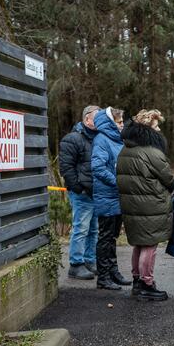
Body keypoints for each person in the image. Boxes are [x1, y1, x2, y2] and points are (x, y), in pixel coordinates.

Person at [117, 109, 174, 301]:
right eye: (156, 126)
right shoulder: (152, 152)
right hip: (151, 206)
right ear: (148, 129)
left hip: (132, 205)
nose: (159, 130)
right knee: (149, 245)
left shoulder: (125, 150)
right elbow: (168, 178)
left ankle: (137, 281)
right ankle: (147, 284)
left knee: (139, 244)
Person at [91, 107, 131, 290]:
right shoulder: (102, 140)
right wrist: (117, 182)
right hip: (107, 196)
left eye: (122, 121)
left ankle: (113, 271)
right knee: (105, 237)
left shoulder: (118, 140)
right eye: (119, 122)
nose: (122, 124)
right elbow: (98, 168)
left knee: (113, 236)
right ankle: (103, 276)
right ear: (110, 123)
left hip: (117, 197)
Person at [59, 105, 100, 280]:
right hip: (82, 194)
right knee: (81, 229)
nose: (100, 122)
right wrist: (79, 188)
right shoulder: (72, 139)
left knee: (93, 230)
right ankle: (76, 264)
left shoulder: (98, 138)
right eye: (96, 119)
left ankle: (89, 261)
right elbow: (66, 168)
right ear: (87, 119)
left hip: (95, 193)